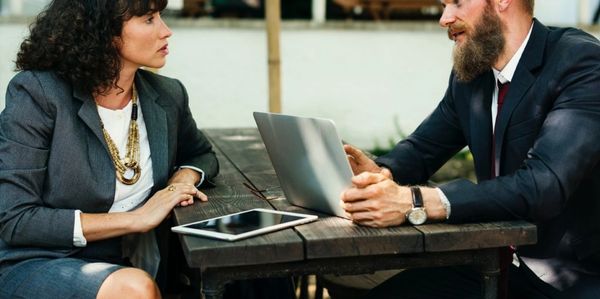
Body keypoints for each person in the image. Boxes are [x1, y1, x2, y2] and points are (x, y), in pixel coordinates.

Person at [342, 0, 600, 298]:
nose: (444, 18)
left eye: (457, 3)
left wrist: (414, 202)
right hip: (494, 262)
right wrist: (378, 174)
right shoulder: (474, 72)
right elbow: (423, 148)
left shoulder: (581, 63)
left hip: (568, 279)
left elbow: (541, 187)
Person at [0, 0, 220, 298]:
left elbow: (200, 155)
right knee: (135, 290)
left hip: (136, 260)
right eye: (148, 19)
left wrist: (181, 181)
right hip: (40, 260)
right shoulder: (38, 94)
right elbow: (15, 219)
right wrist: (137, 218)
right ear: (103, 31)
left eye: (161, 17)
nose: (166, 31)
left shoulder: (167, 95)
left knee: (254, 273)